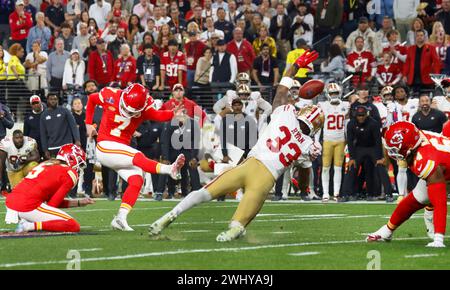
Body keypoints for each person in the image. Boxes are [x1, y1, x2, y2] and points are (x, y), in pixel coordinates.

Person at [148, 51, 321, 242]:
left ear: (302, 113)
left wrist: (295, 66)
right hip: (266, 178)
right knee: (238, 223)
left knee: (203, 193)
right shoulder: (309, 146)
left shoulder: (286, 112)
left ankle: (170, 215)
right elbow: (305, 179)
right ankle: (235, 229)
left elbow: (281, 90)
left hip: (249, 165)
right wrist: (304, 188)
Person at [84, 83, 186, 231]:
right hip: (105, 145)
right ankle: (169, 169)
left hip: (120, 150)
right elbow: (92, 99)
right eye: (125, 107)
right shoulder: (111, 95)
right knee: (137, 156)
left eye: (132, 111)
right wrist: (88, 124)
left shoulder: (146, 107)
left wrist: (172, 114)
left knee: (137, 179)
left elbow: (157, 115)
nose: (127, 112)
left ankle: (120, 218)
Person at [367, 121, 450, 247]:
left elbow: (440, 202)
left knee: (434, 198)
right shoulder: (416, 141)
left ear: (409, 148)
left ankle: (437, 235)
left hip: (441, 166)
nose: (392, 153)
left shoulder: (425, 160)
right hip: (442, 165)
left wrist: (438, 239)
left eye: (394, 150)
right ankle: (387, 230)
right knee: (418, 198)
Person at [5, 144, 95, 233]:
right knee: (72, 225)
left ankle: (28, 222)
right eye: (79, 162)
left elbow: (51, 202)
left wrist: (79, 202)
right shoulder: (69, 173)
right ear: (71, 158)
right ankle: (29, 225)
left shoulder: (46, 164)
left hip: (12, 201)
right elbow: (52, 205)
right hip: (27, 205)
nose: (79, 168)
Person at [341, 105, 386, 201]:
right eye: (359, 115)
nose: (361, 117)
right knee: (351, 168)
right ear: (355, 115)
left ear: (366, 115)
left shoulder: (373, 123)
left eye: (362, 115)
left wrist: (380, 157)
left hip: (372, 148)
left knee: (380, 168)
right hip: (359, 148)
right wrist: (352, 157)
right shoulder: (351, 124)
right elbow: (350, 140)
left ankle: (388, 194)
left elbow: (378, 141)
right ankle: (345, 194)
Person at [318, 83, 349, 202]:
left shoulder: (345, 105)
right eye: (332, 93)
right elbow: (319, 125)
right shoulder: (323, 105)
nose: (334, 95)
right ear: (328, 94)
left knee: (338, 168)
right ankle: (325, 193)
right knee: (325, 168)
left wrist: (348, 141)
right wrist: (316, 141)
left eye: (336, 93)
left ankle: (336, 193)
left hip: (340, 140)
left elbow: (346, 125)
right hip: (327, 140)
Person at [40, 93, 81, 159]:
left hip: (66, 146)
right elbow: (43, 134)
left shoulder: (65, 111)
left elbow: (73, 126)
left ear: (58, 100)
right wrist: (45, 149)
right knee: (56, 168)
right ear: (47, 100)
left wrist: (77, 140)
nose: (53, 101)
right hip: (52, 148)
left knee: (67, 166)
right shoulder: (43, 115)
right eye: (51, 99)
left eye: (55, 99)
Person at [403, 29, 441, 94]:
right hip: (413, 79)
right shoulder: (410, 49)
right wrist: (404, 75)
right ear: (415, 37)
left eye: (421, 35)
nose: (419, 37)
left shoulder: (431, 48)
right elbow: (407, 63)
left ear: (424, 37)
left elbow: (436, 62)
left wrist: (436, 76)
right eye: (417, 35)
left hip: (427, 79)